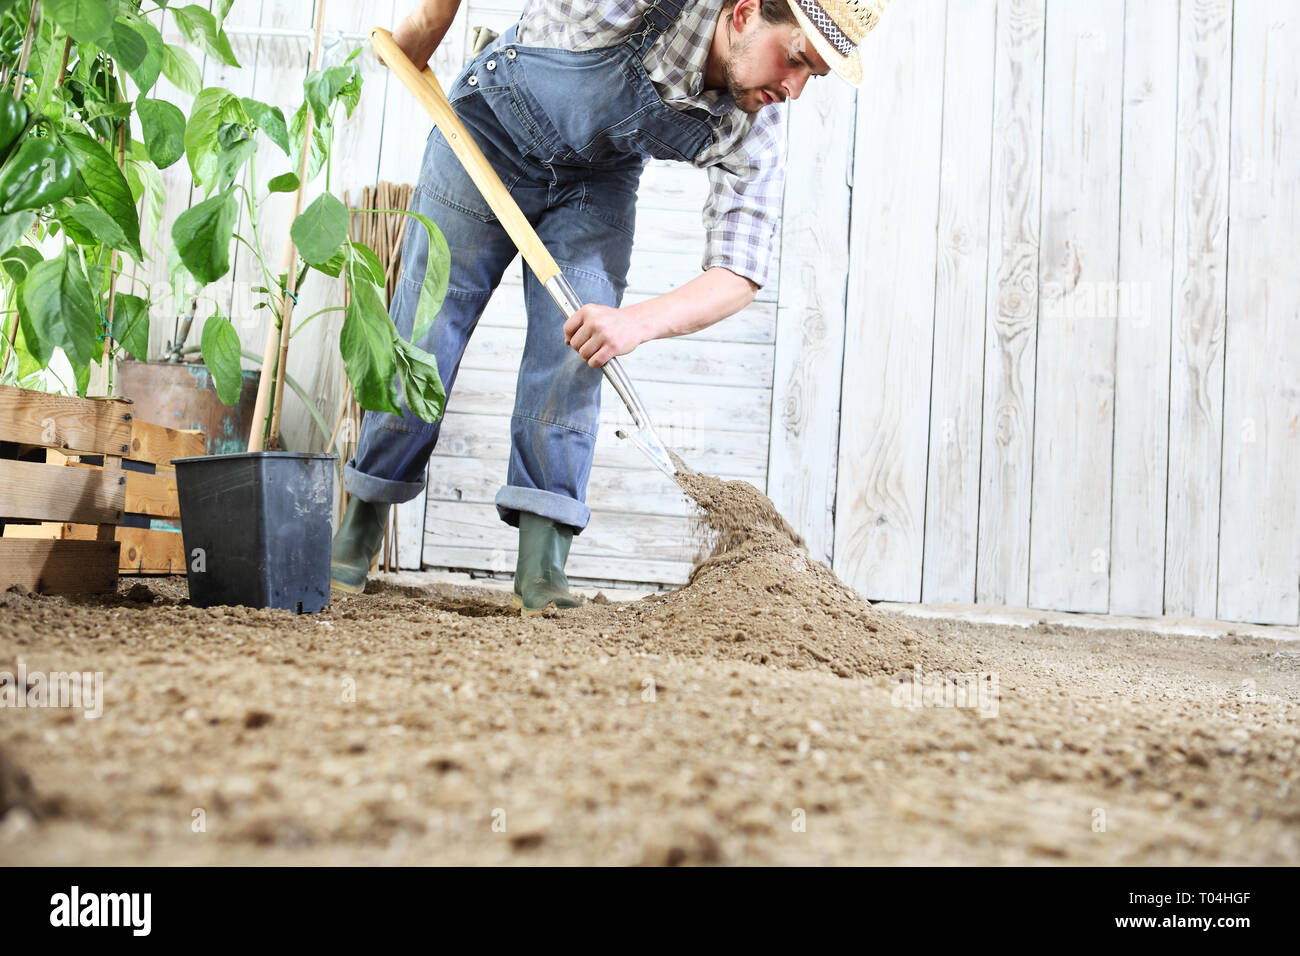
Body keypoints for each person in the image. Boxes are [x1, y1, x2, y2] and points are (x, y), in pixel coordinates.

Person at [330, 0, 886, 611]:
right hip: (487, 133)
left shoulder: (755, 122)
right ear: (744, 13)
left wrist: (634, 324)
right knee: (427, 328)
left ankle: (543, 566)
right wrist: (423, 32)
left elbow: (740, 270)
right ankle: (361, 522)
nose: (795, 89)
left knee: (577, 352)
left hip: (595, 182)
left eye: (815, 77)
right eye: (796, 59)